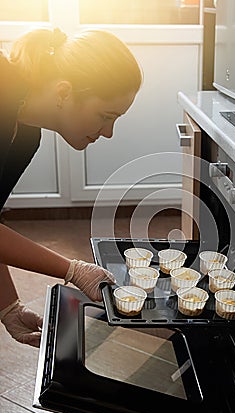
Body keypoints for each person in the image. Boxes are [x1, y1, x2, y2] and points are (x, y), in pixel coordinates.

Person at [0, 27, 143, 347]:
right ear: (64, 92)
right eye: (106, 116)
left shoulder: (25, 136)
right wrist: (73, 270)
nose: (108, 132)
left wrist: (8, 307)